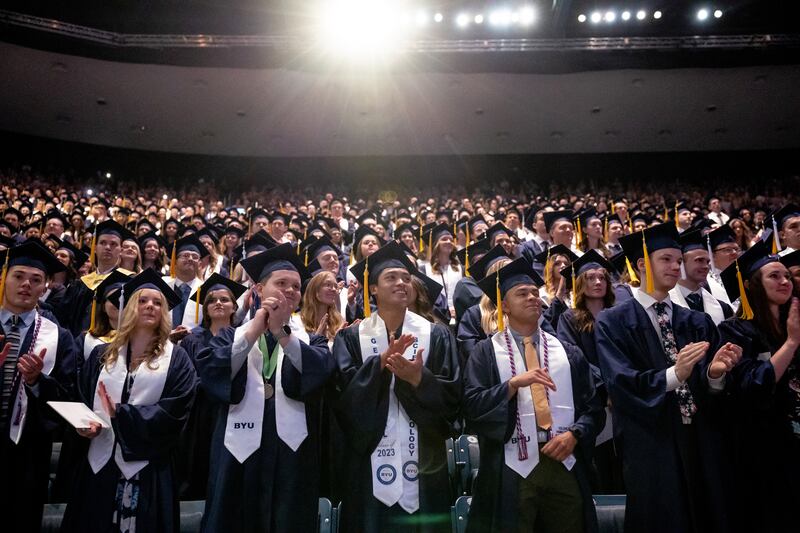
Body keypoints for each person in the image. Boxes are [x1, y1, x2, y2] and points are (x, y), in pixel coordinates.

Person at [595, 223, 743, 533]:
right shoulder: (614, 321)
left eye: (678, 260)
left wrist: (715, 374)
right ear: (641, 264)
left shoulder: (697, 321)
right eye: (666, 259)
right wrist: (675, 374)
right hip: (652, 441)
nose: (676, 266)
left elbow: (710, 382)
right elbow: (621, 383)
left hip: (701, 439)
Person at [196, 243, 335, 533]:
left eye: (296, 286)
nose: (290, 291)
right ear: (259, 289)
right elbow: (212, 372)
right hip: (237, 454)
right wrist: (253, 332)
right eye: (281, 283)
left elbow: (318, 372)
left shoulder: (312, 340)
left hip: (292, 455)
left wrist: (282, 334)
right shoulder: (230, 336)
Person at [463, 257, 604, 533]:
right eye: (522, 293)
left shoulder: (567, 352)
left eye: (535, 293)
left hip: (563, 461)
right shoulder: (486, 353)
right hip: (511, 465)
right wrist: (512, 385)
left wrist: (575, 434)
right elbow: (471, 406)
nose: (532, 298)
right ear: (503, 305)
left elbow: (594, 407)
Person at [332, 241, 460, 532]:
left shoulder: (437, 335)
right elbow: (342, 399)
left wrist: (418, 380)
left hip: (426, 459)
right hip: (368, 462)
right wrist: (379, 364)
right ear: (373, 288)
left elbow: (453, 397)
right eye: (391, 277)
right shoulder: (351, 338)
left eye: (405, 277)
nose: (402, 282)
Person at [61, 269, 197, 533]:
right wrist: (83, 425)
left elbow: (176, 411)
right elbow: (82, 397)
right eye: (143, 300)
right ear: (130, 307)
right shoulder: (103, 355)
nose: (150, 306)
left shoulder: (177, 359)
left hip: (148, 469)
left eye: (158, 302)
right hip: (99, 463)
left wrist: (121, 415)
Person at [717, 241, 800, 533]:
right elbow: (754, 386)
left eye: (787, 276)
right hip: (763, 448)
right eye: (774, 276)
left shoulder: (797, 323)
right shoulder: (736, 330)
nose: (784, 281)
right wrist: (791, 343)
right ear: (753, 285)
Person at [0, 241, 78, 532]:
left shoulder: (59, 337)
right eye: (18, 276)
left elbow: (68, 397)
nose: (26, 285)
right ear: (4, 278)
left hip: (29, 452)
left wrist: (37, 381)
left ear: (45, 286)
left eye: (35, 280)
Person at [556, 250, 622, 493]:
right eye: (591, 278)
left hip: (623, 395)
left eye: (602, 278)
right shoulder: (569, 318)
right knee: (602, 464)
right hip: (593, 398)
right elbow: (575, 358)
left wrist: (620, 385)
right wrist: (606, 387)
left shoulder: (621, 315)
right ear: (580, 283)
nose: (597, 282)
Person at [177, 273, 246, 500]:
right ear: (205, 309)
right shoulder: (192, 340)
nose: (218, 303)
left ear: (234, 308)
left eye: (225, 299)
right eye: (212, 300)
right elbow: (185, 379)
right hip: (200, 415)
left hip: (236, 411)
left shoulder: (245, 338)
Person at [668, 229, 733, 325]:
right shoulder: (665, 304)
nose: (706, 266)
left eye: (707, 261)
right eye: (699, 260)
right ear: (680, 263)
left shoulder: (723, 308)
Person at [163, 233, 208, 336]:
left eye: (195, 257)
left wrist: (192, 332)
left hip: (194, 344)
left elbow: (210, 322)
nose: (191, 259)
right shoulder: (163, 285)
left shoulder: (205, 289)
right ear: (175, 261)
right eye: (185, 255)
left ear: (200, 264)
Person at [419, 223, 462, 323]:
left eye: (451, 240)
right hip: (434, 319)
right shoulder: (424, 269)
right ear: (435, 244)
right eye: (444, 239)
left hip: (459, 318)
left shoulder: (461, 268)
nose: (449, 242)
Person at [300, 270, 347, 347]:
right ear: (315, 290)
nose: (334, 289)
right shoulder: (299, 322)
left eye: (336, 286)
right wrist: (317, 338)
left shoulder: (338, 322)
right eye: (328, 285)